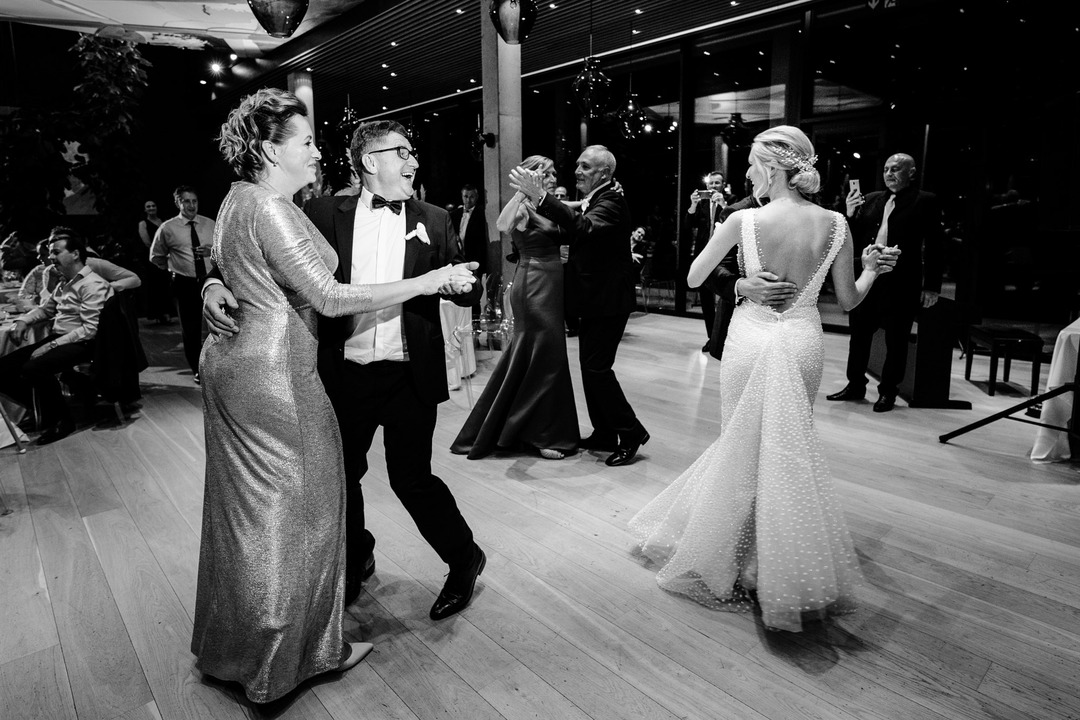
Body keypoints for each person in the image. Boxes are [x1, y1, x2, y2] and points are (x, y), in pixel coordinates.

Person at [190, 89, 477, 703]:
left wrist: (459, 283)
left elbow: (463, 287)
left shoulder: (437, 218)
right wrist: (214, 282)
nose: (412, 161)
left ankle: (463, 560)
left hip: (405, 371)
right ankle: (346, 571)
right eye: (399, 152)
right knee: (334, 482)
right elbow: (258, 261)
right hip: (334, 371)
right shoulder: (315, 211)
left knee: (411, 478)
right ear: (367, 160)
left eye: (413, 152)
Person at [628, 125, 896, 632]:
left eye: (751, 164)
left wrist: (743, 286)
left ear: (772, 168)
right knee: (787, 449)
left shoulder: (743, 220)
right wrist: (872, 270)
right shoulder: (837, 224)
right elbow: (851, 300)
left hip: (751, 339)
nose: (747, 173)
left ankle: (730, 557)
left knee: (739, 446)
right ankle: (773, 566)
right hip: (802, 341)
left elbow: (692, 278)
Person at [511, 145, 648, 467]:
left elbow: (584, 228)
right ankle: (604, 432)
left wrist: (543, 199)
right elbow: (575, 225)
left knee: (598, 369)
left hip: (609, 300)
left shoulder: (612, 201)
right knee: (591, 368)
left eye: (585, 167)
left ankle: (631, 432)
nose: (577, 171)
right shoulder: (599, 197)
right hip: (594, 299)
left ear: (604, 173)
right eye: (577, 165)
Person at [451, 155, 579, 460]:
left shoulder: (543, 205)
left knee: (543, 356)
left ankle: (524, 426)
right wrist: (523, 191)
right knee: (546, 358)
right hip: (534, 285)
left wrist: (588, 201)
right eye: (546, 174)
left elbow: (571, 211)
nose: (551, 179)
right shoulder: (522, 208)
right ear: (533, 176)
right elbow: (501, 223)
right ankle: (543, 434)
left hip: (551, 285)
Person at [826, 153, 944, 412]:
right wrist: (849, 213)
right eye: (886, 169)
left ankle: (888, 391)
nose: (889, 173)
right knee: (858, 335)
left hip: (902, 281)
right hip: (867, 278)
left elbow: (936, 245)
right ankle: (855, 385)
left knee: (896, 339)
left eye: (896, 169)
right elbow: (852, 237)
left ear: (911, 173)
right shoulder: (870, 199)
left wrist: (932, 286)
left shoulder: (925, 201)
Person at [0, 228, 113, 444]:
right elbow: (46, 309)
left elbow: (90, 330)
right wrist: (23, 320)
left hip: (83, 343)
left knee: (34, 368)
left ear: (75, 254)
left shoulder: (93, 284)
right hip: (60, 338)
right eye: (51, 252)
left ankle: (63, 420)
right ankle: (43, 411)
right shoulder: (65, 282)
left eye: (56, 252)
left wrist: (49, 347)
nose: (50, 257)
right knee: (2, 371)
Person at [150, 185, 215, 381]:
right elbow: (156, 256)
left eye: (194, 201)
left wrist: (210, 252)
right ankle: (198, 369)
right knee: (191, 329)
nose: (191, 205)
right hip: (184, 283)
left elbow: (225, 252)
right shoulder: (167, 228)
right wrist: (172, 268)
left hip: (211, 282)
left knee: (218, 325)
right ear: (178, 203)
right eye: (186, 201)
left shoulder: (210, 224)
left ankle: (220, 367)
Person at [685, 171, 729, 352]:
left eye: (717, 183)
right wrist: (693, 205)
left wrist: (724, 204)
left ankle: (726, 339)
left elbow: (737, 221)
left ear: (723, 185)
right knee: (706, 300)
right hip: (704, 256)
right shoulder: (702, 203)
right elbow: (689, 225)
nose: (713, 187)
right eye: (711, 183)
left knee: (725, 299)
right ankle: (712, 338)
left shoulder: (732, 200)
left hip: (725, 257)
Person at [450, 183, 489, 316]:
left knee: (474, 293)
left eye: (471, 197)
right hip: (457, 259)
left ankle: (475, 322)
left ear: (476, 197)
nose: (468, 200)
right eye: (466, 196)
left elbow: (483, 241)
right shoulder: (454, 214)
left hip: (474, 259)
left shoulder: (482, 213)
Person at [137, 199, 173, 323]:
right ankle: (157, 314)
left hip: (165, 258)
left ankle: (166, 313)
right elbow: (147, 242)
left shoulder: (161, 222)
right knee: (154, 286)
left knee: (164, 286)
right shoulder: (143, 223)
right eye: (148, 206)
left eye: (153, 205)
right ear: (145, 209)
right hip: (152, 260)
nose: (151, 208)